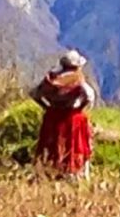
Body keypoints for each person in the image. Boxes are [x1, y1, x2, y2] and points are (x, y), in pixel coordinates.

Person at [30, 49, 96, 179]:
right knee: (74, 145)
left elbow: (34, 94)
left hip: (52, 117)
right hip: (72, 118)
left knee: (51, 144)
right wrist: (81, 108)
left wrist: (46, 107)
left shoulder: (51, 79)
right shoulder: (77, 79)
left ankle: (48, 170)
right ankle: (73, 172)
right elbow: (89, 96)